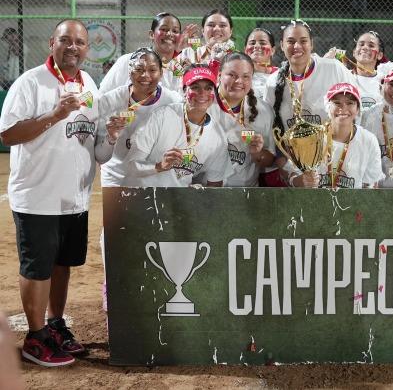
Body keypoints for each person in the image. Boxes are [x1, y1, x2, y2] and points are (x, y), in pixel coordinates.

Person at [0, 20, 104, 366]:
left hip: (74, 197)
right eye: (65, 40)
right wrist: (55, 114)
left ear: (87, 49)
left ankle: (55, 324)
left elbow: (89, 137)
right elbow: (8, 134)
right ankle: (35, 337)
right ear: (51, 43)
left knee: (63, 264)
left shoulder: (89, 83)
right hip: (38, 195)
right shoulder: (30, 83)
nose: (73, 47)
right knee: (37, 267)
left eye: (79, 42)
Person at [264, 20, 355, 186]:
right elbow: (273, 133)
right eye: (290, 41)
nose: (297, 46)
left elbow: (356, 111)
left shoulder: (334, 69)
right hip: (298, 169)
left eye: (303, 41)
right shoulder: (272, 82)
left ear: (312, 44)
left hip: (336, 164)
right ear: (282, 45)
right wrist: (291, 173)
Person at [125, 64, 229, 187]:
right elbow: (130, 166)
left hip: (176, 201)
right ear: (184, 91)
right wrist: (159, 166)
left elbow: (215, 183)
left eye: (208, 88)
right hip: (139, 197)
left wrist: (198, 194)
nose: (202, 93)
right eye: (195, 87)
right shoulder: (162, 116)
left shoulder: (218, 136)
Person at [97, 47, 183, 188]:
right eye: (139, 69)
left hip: (154, 176)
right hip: (116, 175)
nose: (145, 75)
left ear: (161, 73)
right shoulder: (110, 101)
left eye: (152, 70)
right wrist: (110, 138)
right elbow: (100, 154)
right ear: (130, 73)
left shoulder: (173, 102)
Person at [287, 83, 384, 189]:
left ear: (357, 109)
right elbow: (291, 174)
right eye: (337, 103)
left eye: (350, 103)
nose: (343, 108)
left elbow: (371, 185)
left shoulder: (369, 140)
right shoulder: (310, 137)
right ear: (328, 107)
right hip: (314, 203)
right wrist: (300, 181)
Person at [209, 52, 275, 187]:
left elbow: (268, 160)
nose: (239, 81)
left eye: (245, 76)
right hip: (206, 189)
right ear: (219, 75)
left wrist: (258, 153)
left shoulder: (264, 110)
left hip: (245, 192)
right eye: (232, 75)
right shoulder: (204, 104)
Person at [100, 12, 195, 93]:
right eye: (164, 29)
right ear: (151, 34)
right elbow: (103, 93)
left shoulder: (183, 67)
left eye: (175, 31)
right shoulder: (128, 61)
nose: (170, 34)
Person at [324, 30, 388, 110]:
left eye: (371, 46)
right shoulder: (342, 77)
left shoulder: (385, 81)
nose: (364, 47)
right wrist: (324, 64)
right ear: (354, 52)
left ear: (379, 55)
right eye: (361, 44)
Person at [243, 27, 278, 101]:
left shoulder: (281, 75)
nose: (256, 46)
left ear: (273, 50)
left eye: (262, 43)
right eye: (252, 43)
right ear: (245, 50)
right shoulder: (238, 76)